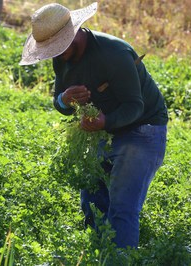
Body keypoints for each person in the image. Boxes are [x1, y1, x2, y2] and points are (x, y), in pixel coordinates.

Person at [19, 2, 168, 250]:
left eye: (57, 48)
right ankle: (94, 254)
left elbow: (135, 106)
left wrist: (104, 121)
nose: (54, 55)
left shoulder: (114, 54)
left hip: (143, 130)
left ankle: (119, 258)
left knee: (122, 208)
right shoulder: (62, 59)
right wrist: (64, 99)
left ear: (72, 36)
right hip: (105, 131)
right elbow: (59, 102)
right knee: (92, 199)